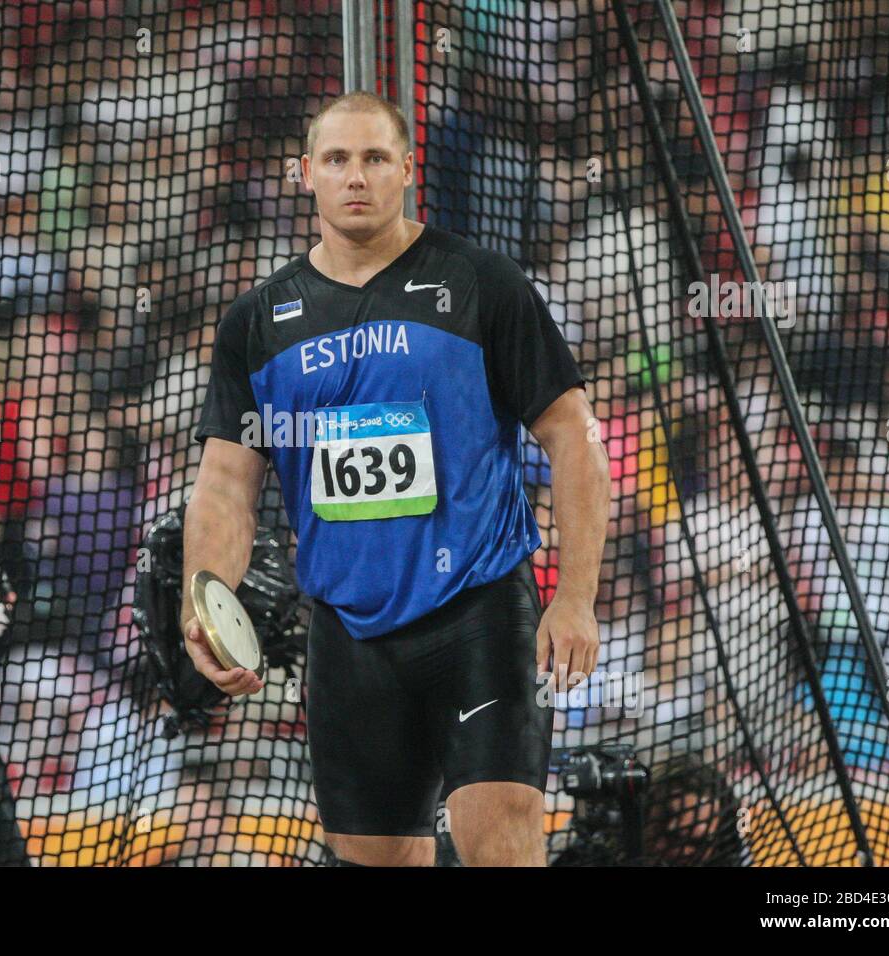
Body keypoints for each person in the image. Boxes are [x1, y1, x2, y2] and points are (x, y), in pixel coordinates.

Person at [180, 91, 611, 866]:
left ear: (407, 170)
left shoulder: (483, 283)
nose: (357, 177)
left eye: (376, 158)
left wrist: (574, 596)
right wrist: (206, 599)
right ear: (304, 173)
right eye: (338, 159)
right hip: (349, 635)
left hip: (479, 612)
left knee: (504, 836)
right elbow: (224, 483)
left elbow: (572, 435)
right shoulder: (257, 322)